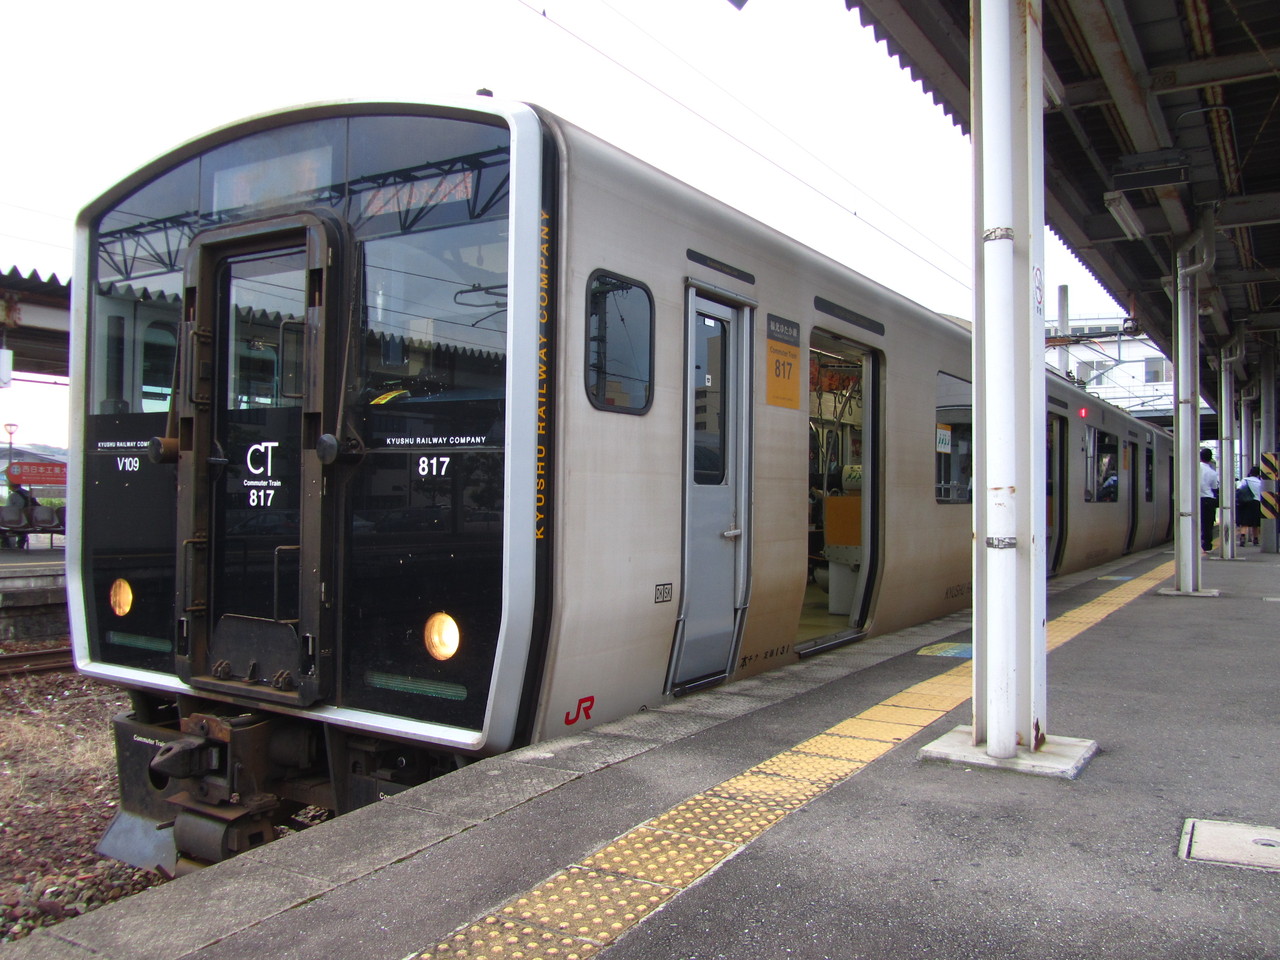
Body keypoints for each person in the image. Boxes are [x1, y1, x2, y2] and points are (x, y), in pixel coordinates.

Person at [1236, 465, 1263, 547]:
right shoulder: (1260, 482)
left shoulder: (1245, 480)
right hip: (1256, 503)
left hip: (1246, 502)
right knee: (1256, 523)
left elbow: (1239, 489)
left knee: (1245, 522)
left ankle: (1242, 537)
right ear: (1258, 474)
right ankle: (1255, 539)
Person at [1199, 448, 1220, 554]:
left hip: (1194, 499)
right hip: (1208, 499)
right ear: (1210, 459)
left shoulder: (1193, 468)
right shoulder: (1212, 473)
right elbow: (1214, 487)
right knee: (1207, 524)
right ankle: (1206, 546)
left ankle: (1192, 543)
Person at [6, 484, 36, 549]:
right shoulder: (28, 493)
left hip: (16, 518)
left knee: (4, 527)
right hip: (30, 519)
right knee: (23, 527)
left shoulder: (12, 496)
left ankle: (6, 545)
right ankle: (20, 544)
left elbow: (8, 509)